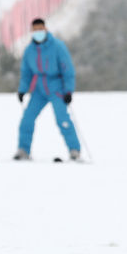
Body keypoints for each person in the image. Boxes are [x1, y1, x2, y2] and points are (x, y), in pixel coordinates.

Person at [14, 18, 81, 161]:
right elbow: (26, 73)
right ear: (31, 32)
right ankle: (23, 150)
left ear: (45, 29)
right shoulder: (29, 50)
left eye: (41, 29)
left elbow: (68, 69)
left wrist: (68, 90)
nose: (38, 32)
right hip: (39, 89)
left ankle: (74, 150)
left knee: (62, 119)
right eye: (35, 30)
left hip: (57, 88)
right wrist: (22, 90)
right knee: (27, 119)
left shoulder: (57, 46)